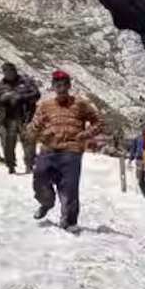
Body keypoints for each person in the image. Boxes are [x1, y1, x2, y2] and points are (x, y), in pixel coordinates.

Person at [27, 70, 102, 231]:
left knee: (69, 187)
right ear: (53, 86)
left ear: (69, 86)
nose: (61, 88)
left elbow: (98, 122)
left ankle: (69, 221)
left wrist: (85, 134)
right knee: (39, 177)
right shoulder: (45, 106)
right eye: (57, 85)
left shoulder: (81, 104)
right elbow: (32, 129)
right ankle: (46, 203)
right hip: (48, 149)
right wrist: (39, 135)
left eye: (64, 85)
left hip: (72, 150)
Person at [0, 62, 40, 174]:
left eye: (11, 71)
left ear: (15, 71)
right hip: (6, 119)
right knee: (7, 143)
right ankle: (11, 166)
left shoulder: (27, 82)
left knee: (29, 142)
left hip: (25, 118)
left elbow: (36, 94)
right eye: (6, 71)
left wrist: (21, 97)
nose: (9, 73)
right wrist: (2, 99)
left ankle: (30, 166)